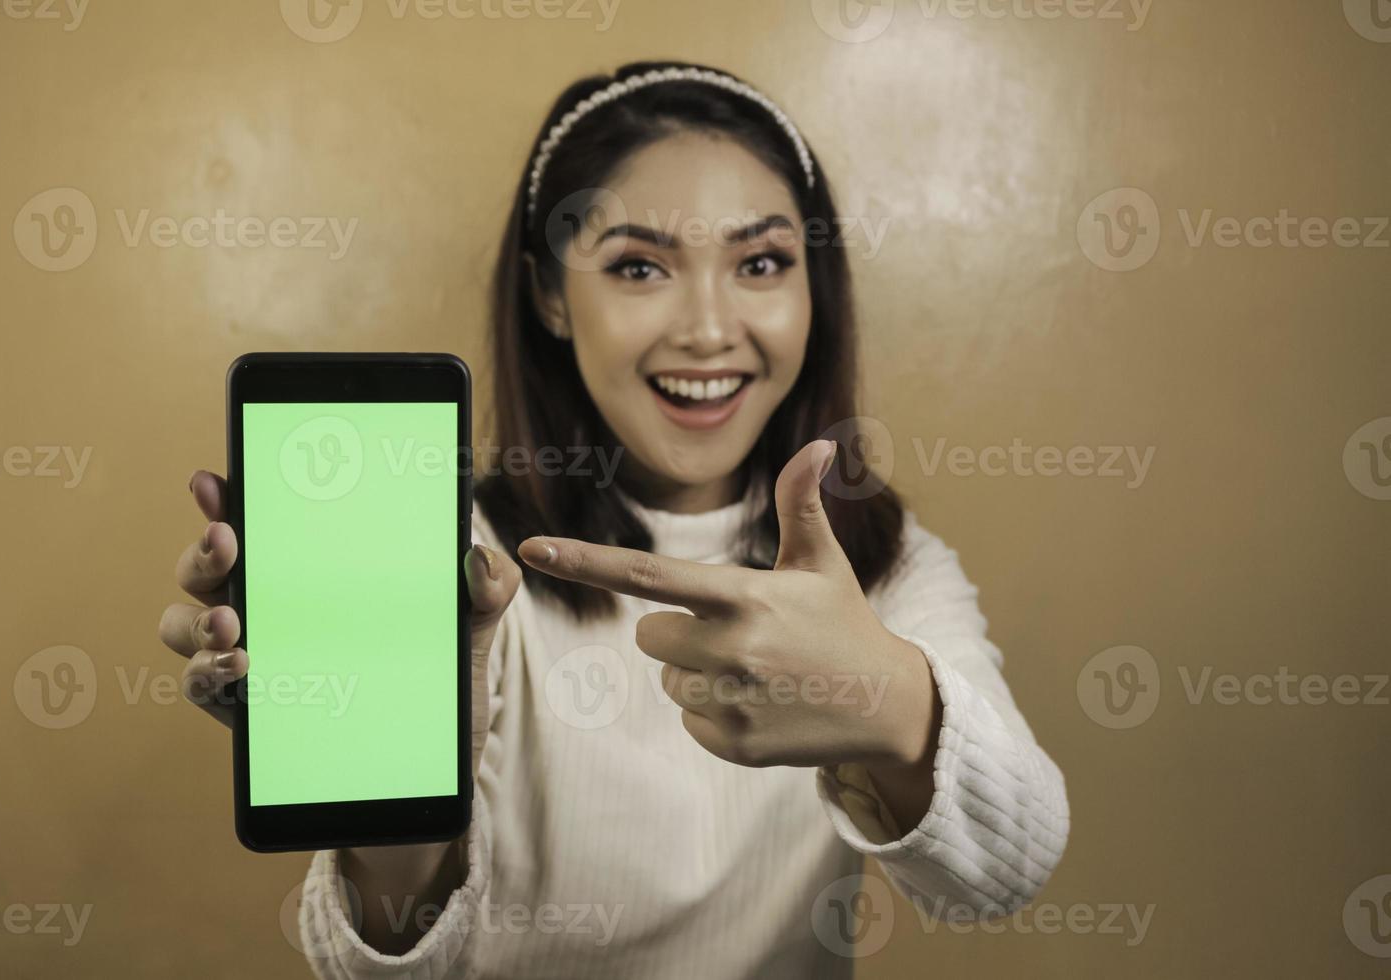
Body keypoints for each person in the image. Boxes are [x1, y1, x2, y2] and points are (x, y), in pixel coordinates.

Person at [159, 60, 1069, 979]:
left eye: (761, 263)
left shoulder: (883, 565)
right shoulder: (456, 564)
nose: (709, 329)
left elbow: (1002, 875)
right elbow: (380, 965)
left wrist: (888, 697)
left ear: (813, 288)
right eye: (640, 266)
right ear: (551, 296)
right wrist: (393, 797)